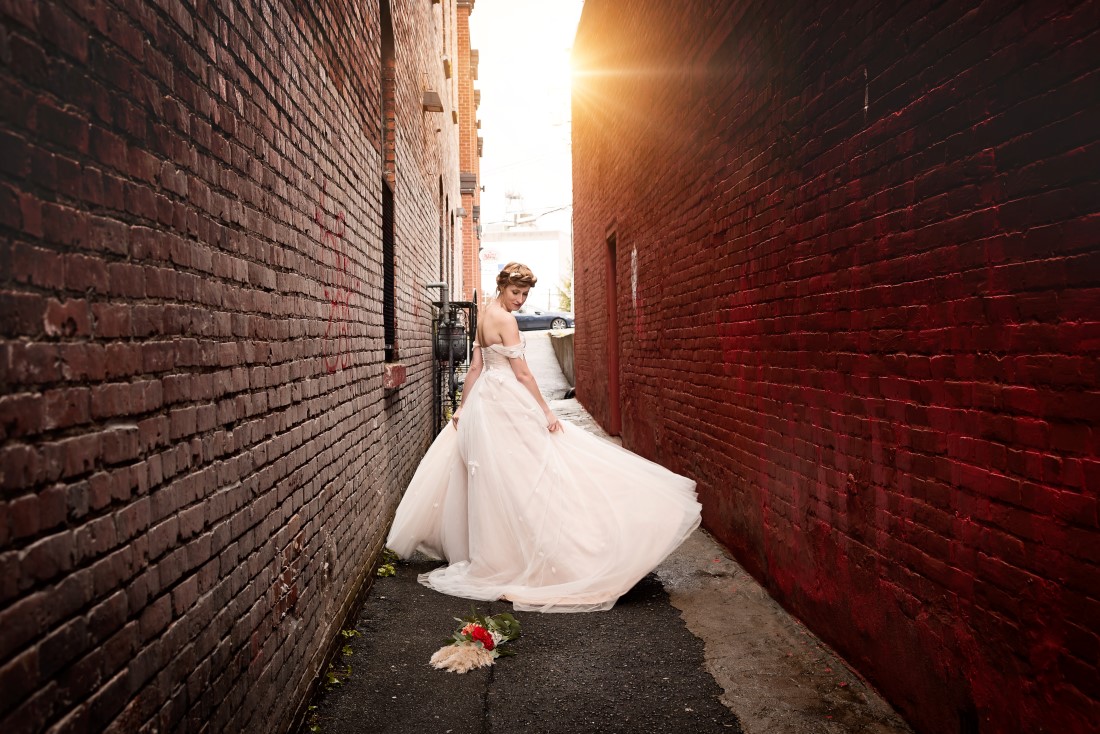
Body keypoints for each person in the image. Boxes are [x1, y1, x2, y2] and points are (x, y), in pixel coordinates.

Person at [386, 263, 701, 612]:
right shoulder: (505, 320)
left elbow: (476, 368)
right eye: (515, 293)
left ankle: (504, 553)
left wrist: (462, 408)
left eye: (525, 294)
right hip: (507, 400)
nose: (520, 300)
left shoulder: (486, 315)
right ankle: (544, 553)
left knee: (503, 477)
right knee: (528, 473)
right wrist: (546, 411)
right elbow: (521, 372)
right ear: (502, 287)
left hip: (485, 402)